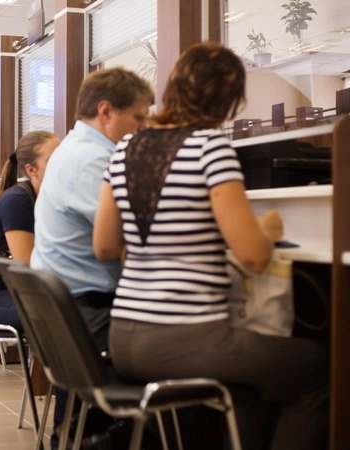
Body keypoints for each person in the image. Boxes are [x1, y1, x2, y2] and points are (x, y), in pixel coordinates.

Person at [93, 42, 329, 450]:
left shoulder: (125, 149)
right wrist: (267, 229)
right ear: (229, 99)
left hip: (124, 340)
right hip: (188, 340)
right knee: (319, 370)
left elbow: (104, 247)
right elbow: (254, 256)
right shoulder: (209, 147)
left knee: (249, 388)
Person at [30, 67, 154, 448]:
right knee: (190, 351)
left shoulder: (73, 151)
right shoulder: (92, 161)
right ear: (106, 111)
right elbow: (128, 238)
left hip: (69, 311)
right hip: (88, 314)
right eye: (138, 117)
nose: (143, 127)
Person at [0, 131, 59, 329]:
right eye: (53, 159)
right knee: (65, 314)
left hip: (14, 290)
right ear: (31, 170)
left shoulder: (46, 199)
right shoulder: (17, 201)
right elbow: (28, 267)